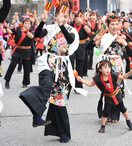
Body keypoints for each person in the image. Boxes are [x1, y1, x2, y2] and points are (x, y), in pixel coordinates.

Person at [19, 0, 86, 143]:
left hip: (63, 67)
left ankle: (63, 132)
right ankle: (34, 110)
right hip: (48, 64)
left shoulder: (72, 30)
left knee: (59, 100)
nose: (64, 18)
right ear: (55, 15)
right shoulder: (49, 27)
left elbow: (69, 40)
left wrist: (62, 26)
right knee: (47, 86)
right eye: (61, 15)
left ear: (70, 17)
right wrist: (42, 22)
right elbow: (37, 34)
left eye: (67, 16)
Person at [76, 59, 132, 133]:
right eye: (105, 67)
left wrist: (130, 72)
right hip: (108, 97)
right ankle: (102, 126)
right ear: (100, 69)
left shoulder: (113, 75)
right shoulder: (98, 78)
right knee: (106, 112)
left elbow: (123, 77)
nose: (108, 69)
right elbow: (90, 84)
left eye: (109, 67)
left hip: (117, 95)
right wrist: (81, 80)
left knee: (123, 109)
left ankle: (128, 121)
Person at [96, 13, 132, 123]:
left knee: (117, 91)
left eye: (117, 24)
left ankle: (115, 115)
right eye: (112, 24)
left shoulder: (122, 38)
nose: (115, 26)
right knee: (106, 90)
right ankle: (104, 113)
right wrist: (95, 40)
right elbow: (90, 47)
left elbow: (131, 54)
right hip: (106, 67)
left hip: (117, 67)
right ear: (108, 26)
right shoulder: (103, 38)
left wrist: (125, 44)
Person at [2, 15, 35, 88]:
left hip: (26, 51)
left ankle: (25, 83)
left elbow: (32, 37)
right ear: (23, 24)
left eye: (28, 23)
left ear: (30, 25)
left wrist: (26, 31)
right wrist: (6, 27)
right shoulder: (17, 29)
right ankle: (7, 81)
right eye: (25, 23)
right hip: (17, 50)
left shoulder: (32, 31)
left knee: (26, 67)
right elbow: (9, 31)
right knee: (12, 65)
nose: (26, 25)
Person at [69, 10, 91, 92]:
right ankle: (69, 85)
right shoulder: (70, 24)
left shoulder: (85, 25)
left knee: (79, 68)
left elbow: (89, 32)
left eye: (80, 18)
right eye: (77, 18)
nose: (79, 20)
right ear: (74, 18)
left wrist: (83, 24)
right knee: (70, 66)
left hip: (81, 47)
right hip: (71, 46)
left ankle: (78, 87)